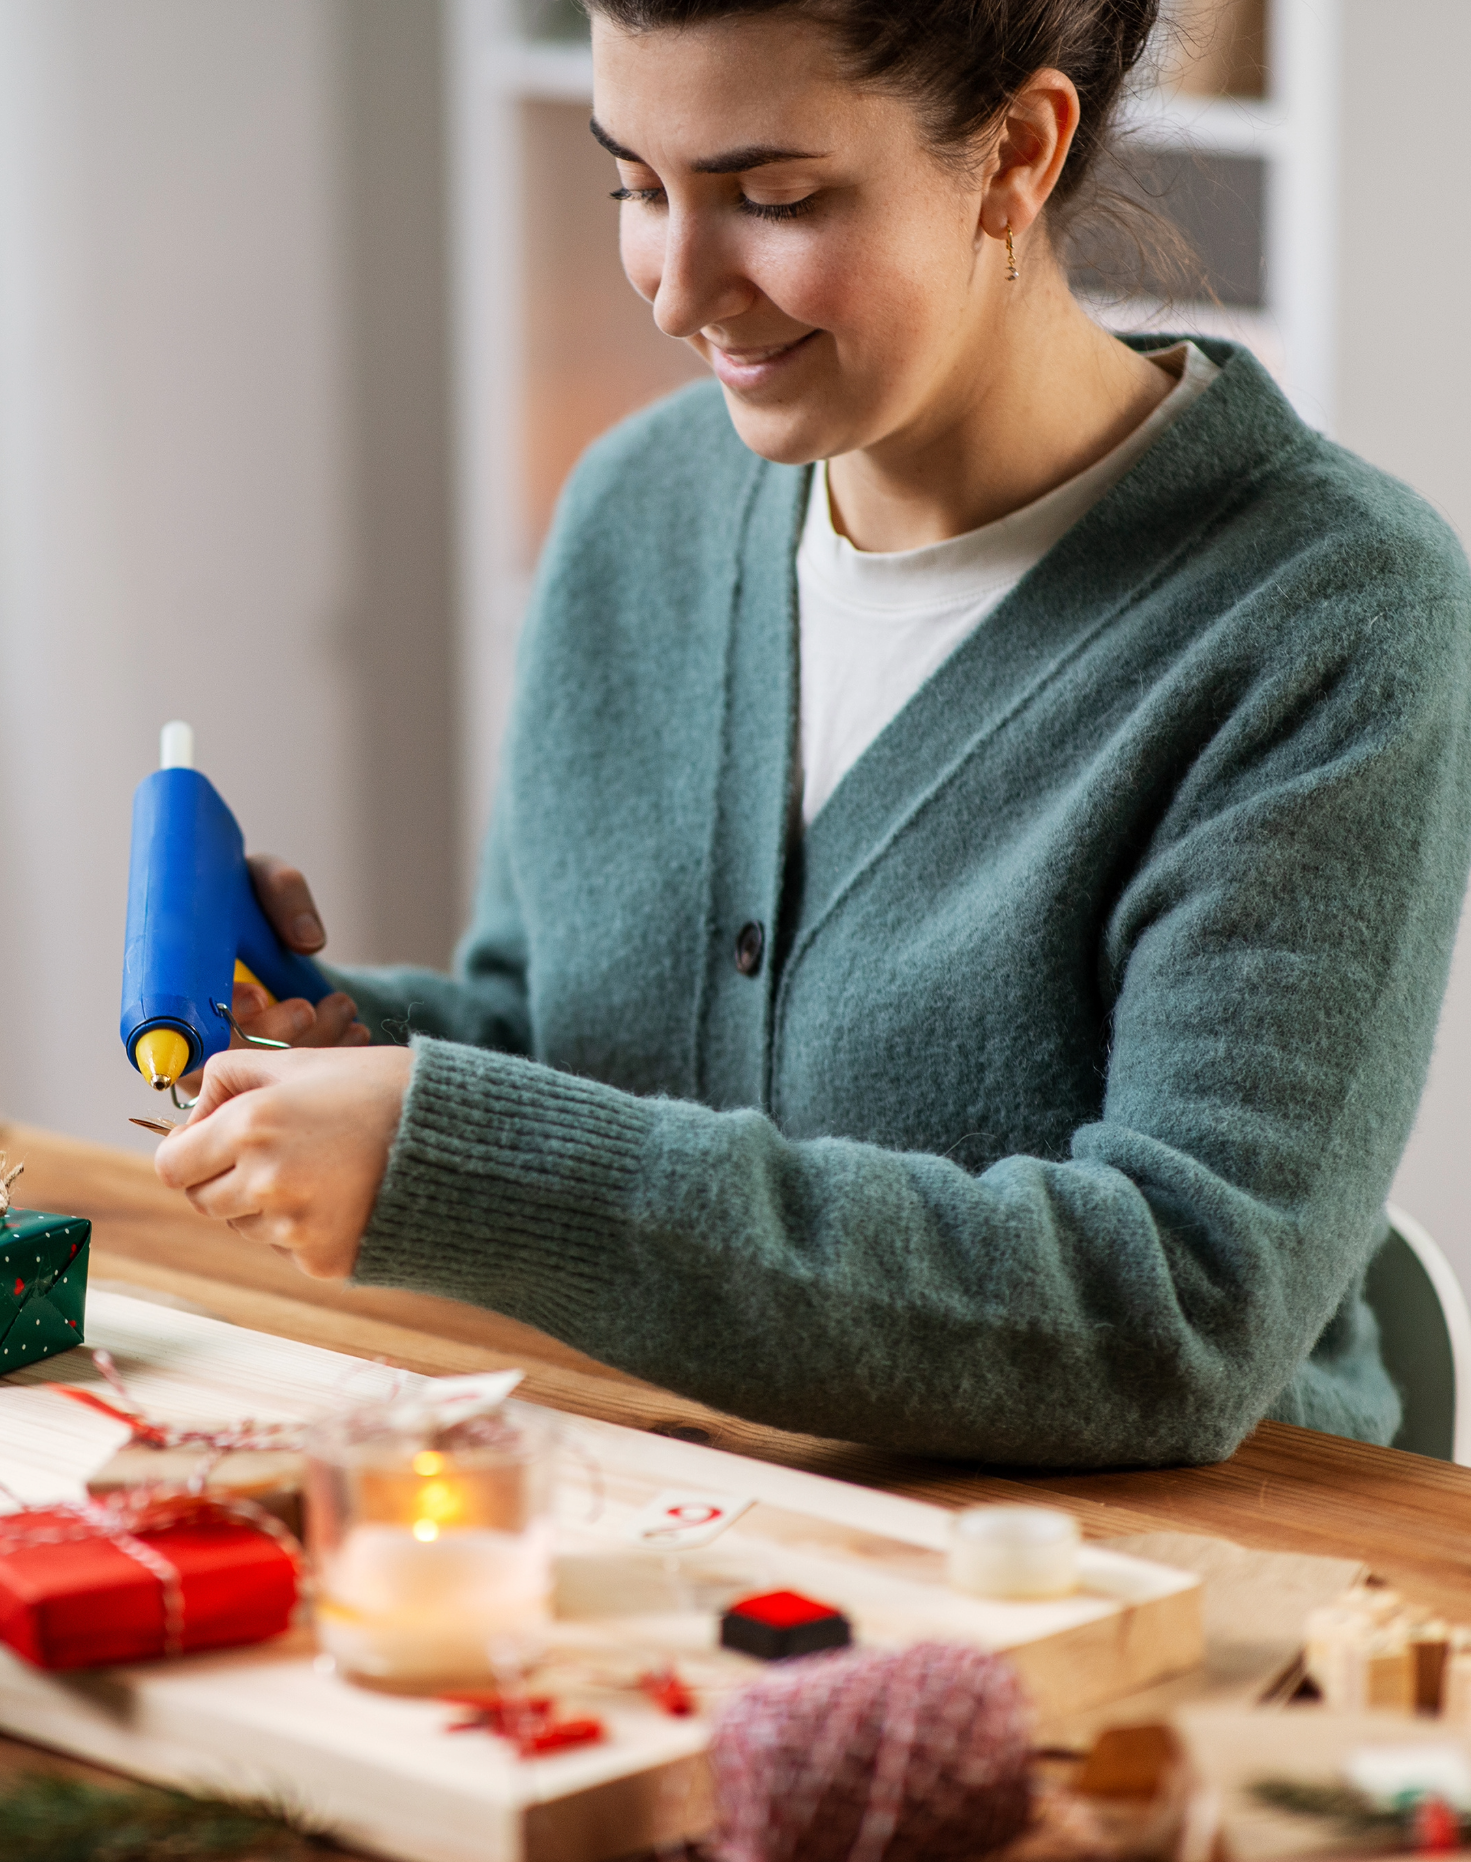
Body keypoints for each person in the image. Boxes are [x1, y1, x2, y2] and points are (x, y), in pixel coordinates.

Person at [149, 0, 1471, 1468]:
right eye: (636, 188)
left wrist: (466, 1163)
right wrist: (335, 1042)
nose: (672, 293)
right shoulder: (632, 511)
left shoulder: (1327, 616)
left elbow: (1177, 1306)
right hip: (684, 1517)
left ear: (1017, 155)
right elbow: (569, 1042)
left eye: (772, 198)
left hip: (1161, 1591)